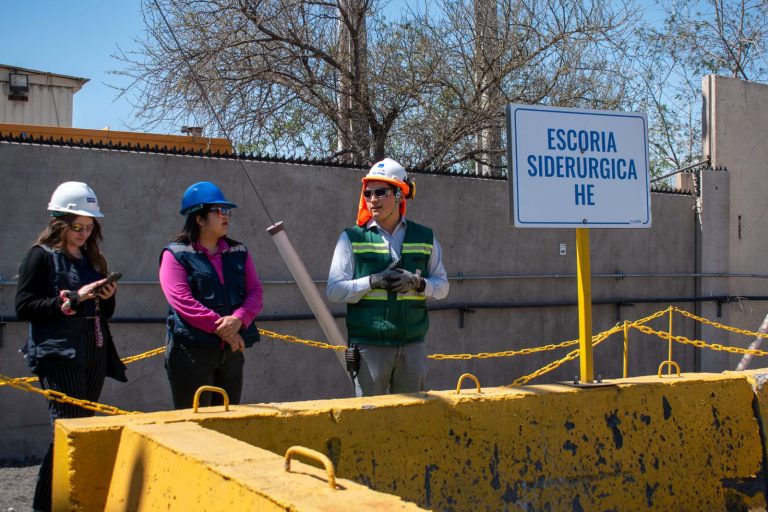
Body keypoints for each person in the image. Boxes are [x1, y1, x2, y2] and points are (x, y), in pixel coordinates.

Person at [15, 181, 126, 512]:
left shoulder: (91, 259)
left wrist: (107, 297)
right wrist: (68, 301)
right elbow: (24, 306)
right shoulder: (40, 256)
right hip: (58, 353)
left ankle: (68, 502)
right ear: (58, 222)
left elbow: (104, 313)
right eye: (77, 227)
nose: (84, 234)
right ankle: (46, 505)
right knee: (68, 429)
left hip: (93, 350)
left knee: (82, 428)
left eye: (89, 228)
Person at [327, 158, 449, 396]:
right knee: (370, 414)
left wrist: (419, 283)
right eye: (368, 193)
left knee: (411, 413)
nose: (373, 199)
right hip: (369, 346)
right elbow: (334, 290)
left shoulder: (425, 237)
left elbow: (443, 286)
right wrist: (372, 281)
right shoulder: (351, 238)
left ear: (400, 195)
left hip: (412, 345)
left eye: (381, 192)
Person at [159, 181, 263, 409]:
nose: (226, 216)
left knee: (228, 419)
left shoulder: (239, 251)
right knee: (195, 423)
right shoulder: (175, 254)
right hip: (192, 354)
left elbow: (255, 292)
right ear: (199, 218)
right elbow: (182, 301)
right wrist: (226, 331)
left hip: (232, 354)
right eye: (219, 211)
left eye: (227, 211)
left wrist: (239, 319)